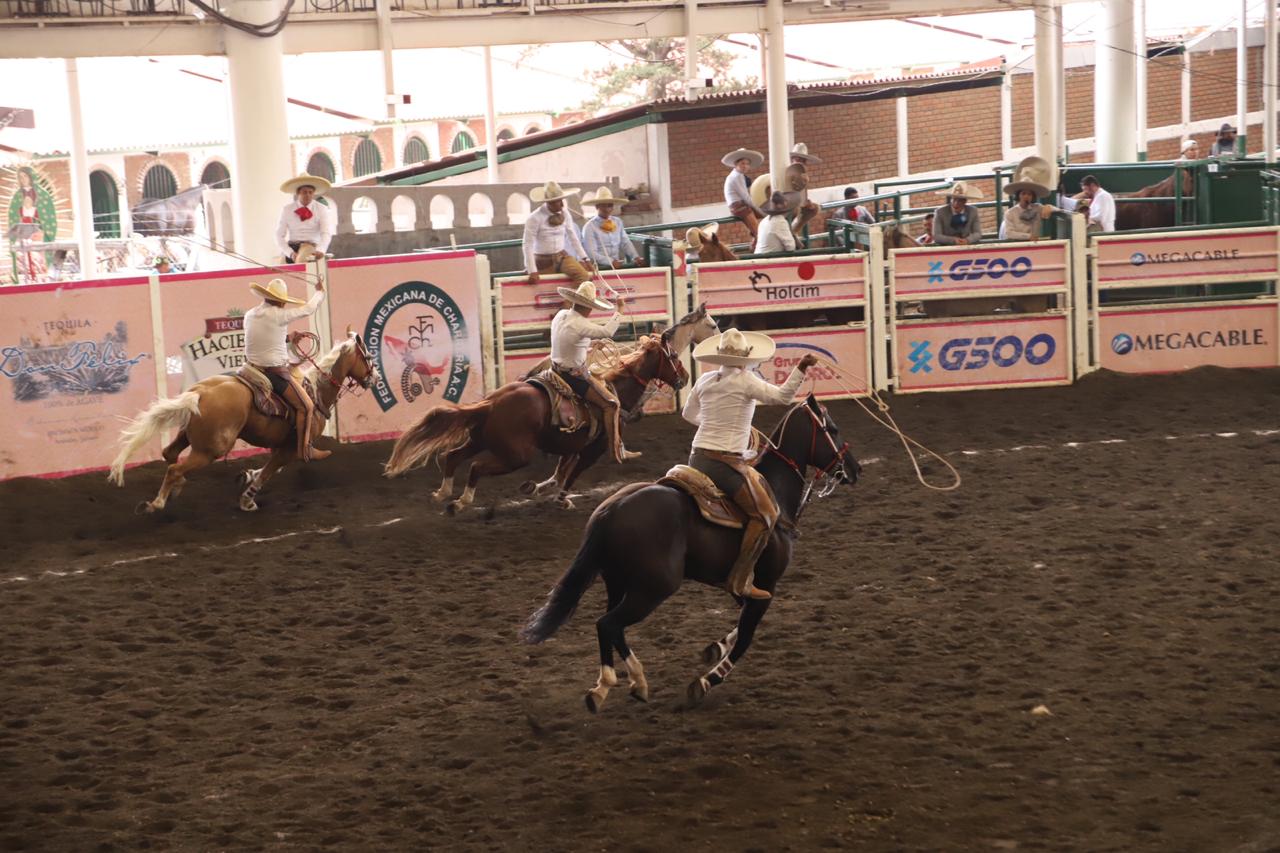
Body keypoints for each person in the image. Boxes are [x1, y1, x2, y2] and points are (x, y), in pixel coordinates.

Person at [683, 328, 818, 600]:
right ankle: (740, 578)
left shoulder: (706, 379)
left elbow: (688, 414)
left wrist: (713, 423)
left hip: (696, 457)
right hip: (725, 463)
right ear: (746, 357)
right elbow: (782, 397)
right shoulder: (746, 381)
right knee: (766, 514)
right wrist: (801, 368)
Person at [549, 281, 636, 464]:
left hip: (554, 369)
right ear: (589, 307)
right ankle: (615, 451)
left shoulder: (561, 315)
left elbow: (570, 341)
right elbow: (607, 331)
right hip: (573, 375)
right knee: (611, 404)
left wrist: (589, 344)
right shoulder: (581, 324)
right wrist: (619, 309)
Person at [243, 277, 329, 462]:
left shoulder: (250, 314)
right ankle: (305, 450)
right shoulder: (278, 315)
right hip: (272, 372)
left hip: (249, 369)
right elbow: (309, 308)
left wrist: (288, 338)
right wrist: (320, 292)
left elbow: (263, 338)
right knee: (307, 406)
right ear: (281, 301)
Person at [524, 181, 594, 286]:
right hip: (543, 260)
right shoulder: (534, 218)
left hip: (561, 256)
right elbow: (527, 244)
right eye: (558, 201)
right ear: (549, 202)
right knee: (545, 286)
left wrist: (585, 258)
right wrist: (532, 270)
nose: (562, 204)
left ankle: (569, 302)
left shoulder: (565, 213)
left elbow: (573, 237)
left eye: (562, 200)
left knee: (584, 277)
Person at [275, 173, 334, 263]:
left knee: (302, 260)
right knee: (281, 264)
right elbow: (279, 235)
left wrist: (321, 250)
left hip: (311, 246)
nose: (308, 195)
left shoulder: (321, 209)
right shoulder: (287, 209)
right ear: (298, 193)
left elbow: (326, 233)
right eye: (304, 192)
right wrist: (289, 252)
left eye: (310, 192)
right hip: (291, 246)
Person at [580, 187, 640, 270]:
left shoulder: (618, 222)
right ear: (597, 207)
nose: (607, 209)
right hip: (599, 268)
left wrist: (635, 257)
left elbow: (625, 242)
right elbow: (591, 253)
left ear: (613, 207)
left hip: (616, 265)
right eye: (603, 205)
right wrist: (610, 261)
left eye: (610, 205)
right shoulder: (589, 227)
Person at [1002, 155, 1059, 242]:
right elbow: (1009, 233)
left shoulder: (1037, 208)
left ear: (1033, 196)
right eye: (1023, 193)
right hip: (1017, 245)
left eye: (1029, 194)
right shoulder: (1010, 213)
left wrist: (1049, 207)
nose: (1026, 196)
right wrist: (1028, 236)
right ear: (1018, 195)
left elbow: (1059, 210)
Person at [722, 148, 766, 240]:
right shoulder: (737, 176)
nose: (745, 166)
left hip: (740, 205)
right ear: (736, 164)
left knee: (761, 218)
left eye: (747, 164)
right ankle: (757, 242)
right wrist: (759, 209)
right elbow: (746, 197)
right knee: (758, 232)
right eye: (742, 163)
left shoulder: (738, 175)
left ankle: (755, 239)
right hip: (739, 207)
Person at [783, 142, 822, 237]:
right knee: (795, 210)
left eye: (803, 160)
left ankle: (794, 231)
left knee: (814, 208)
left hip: (797, 202)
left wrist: (806, 201)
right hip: (787, 202)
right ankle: (790, 232)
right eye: (798, 159)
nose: (800, 162)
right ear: (793, 159)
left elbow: (802, 192)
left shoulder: (803, 173)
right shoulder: (788, 171)